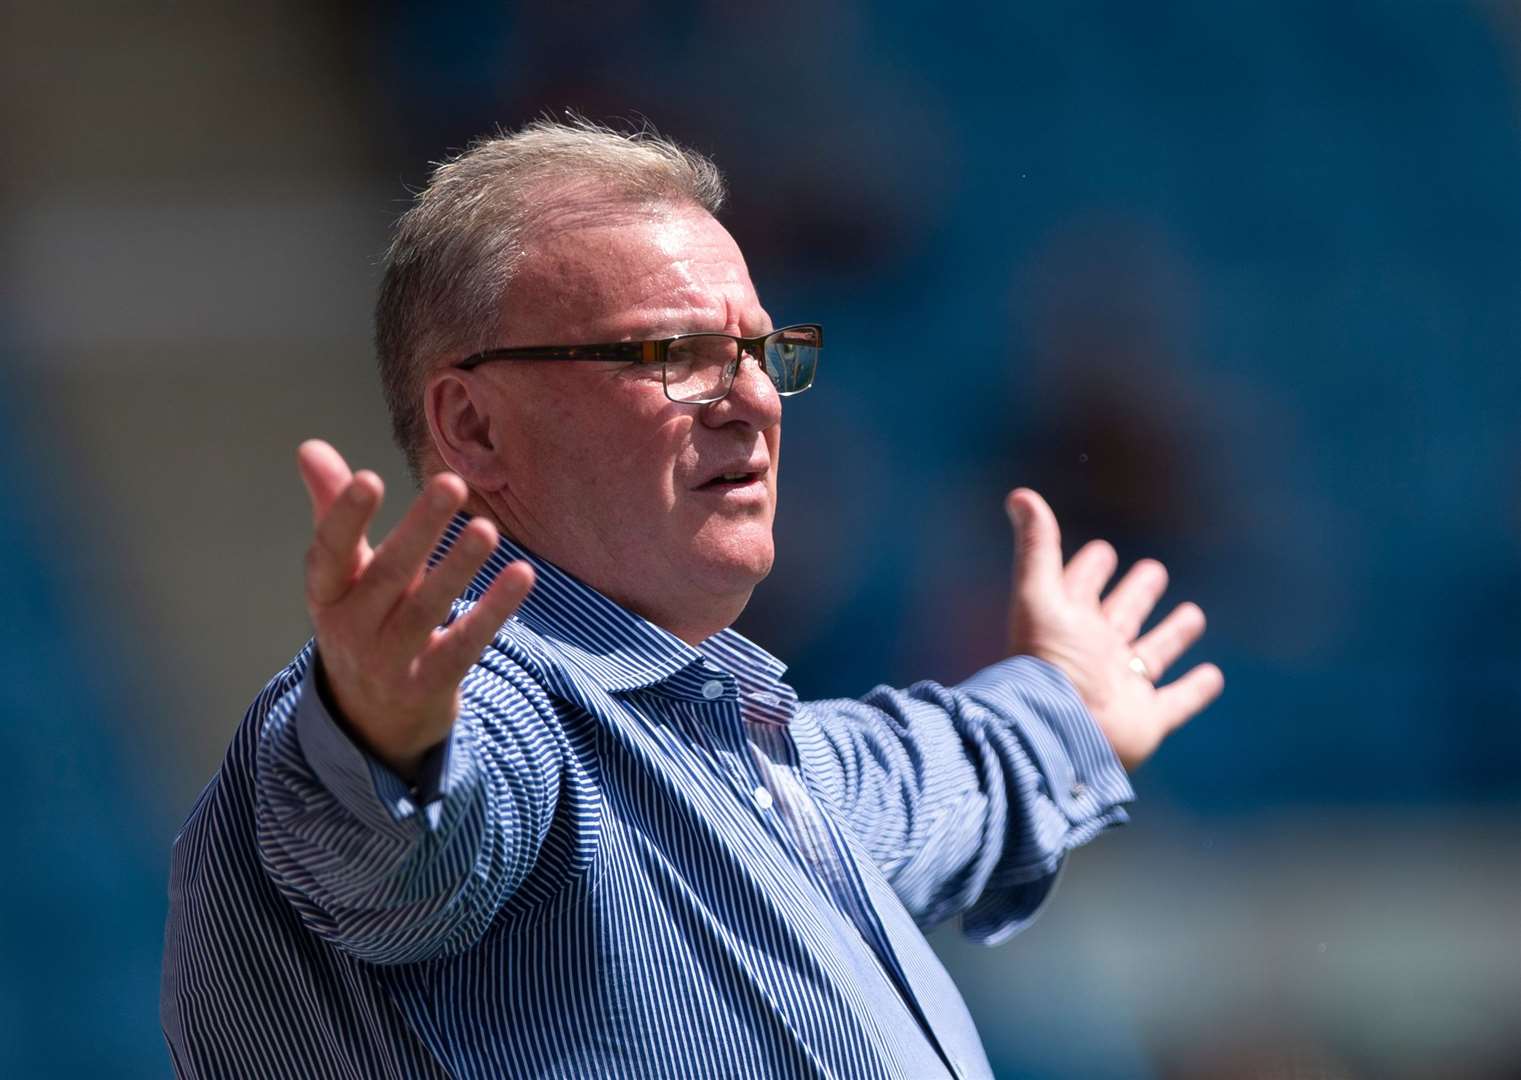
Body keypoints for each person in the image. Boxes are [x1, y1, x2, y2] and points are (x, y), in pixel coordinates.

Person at [160, 118, 1222, 1079]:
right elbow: (392, 857)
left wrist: (1067, 706)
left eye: (761, 352)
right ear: (474, 425)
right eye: (675, 353)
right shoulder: (487, 711)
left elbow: (931, 773)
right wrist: (383, 742)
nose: (757, 396)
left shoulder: (733, 758)